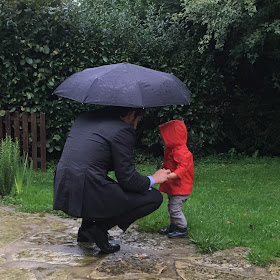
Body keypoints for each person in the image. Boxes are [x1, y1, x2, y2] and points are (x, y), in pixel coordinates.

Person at [53, 107, 170, 254]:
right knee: (153, 197)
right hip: (88, 188)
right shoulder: (122, 130)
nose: (136, 125)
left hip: (64, 185)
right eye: (138, 120)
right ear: (132, 114)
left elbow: (94, 157)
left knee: (101, 184)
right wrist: (154, 178)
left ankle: (85, 230)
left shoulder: (84, 118)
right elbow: (128, 180)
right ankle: (98, 229)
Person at [158, 120, 194, 238]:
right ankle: (173, 226)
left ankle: (182, 228)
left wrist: (167, 176)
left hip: (181, 188)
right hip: (174, 187)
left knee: (175, 208)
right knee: (171, 206)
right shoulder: (172, 150)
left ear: (173, 137)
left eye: (166, 137)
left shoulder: (183, 153)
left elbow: (181, 170)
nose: (163, 140)